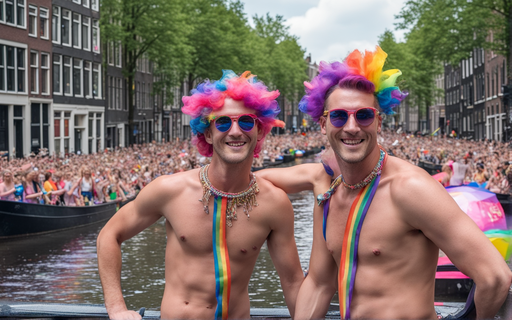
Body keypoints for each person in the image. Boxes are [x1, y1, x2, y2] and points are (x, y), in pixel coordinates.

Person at [259, 46, 512, 319]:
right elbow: (320, 284)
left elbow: (495, 277)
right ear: (323, 124)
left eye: (364, 115)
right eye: (339, 116)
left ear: (379, 122)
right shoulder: (329, 197)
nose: (352, 127)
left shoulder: (411, 188)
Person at [97, 70, 304, 320]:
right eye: (223, 122)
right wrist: (117, 309)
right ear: (208, 133)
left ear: (260, 131)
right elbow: (109, 235)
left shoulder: (275, 203)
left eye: (246, 121)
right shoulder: (170, 190)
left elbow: (292, 282)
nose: (236, 131)